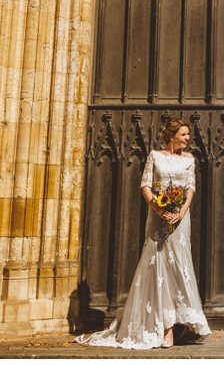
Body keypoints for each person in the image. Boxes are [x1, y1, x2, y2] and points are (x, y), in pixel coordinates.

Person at [76, 119, 210, 349]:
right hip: (158, 218)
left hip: (180, 220)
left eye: (188, 135)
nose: (188, 138)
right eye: (184, 134)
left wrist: (180, 212)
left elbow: (190, 188)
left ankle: (183, 324)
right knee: (159, 267)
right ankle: (165, 328)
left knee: (179, 267)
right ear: (172, 135)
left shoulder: (189, 159)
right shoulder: (155, 156)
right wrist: (158, 209)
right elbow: (146, 185)